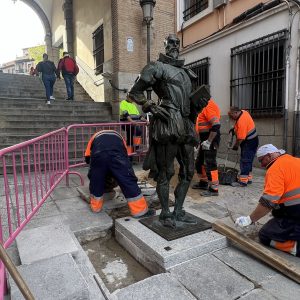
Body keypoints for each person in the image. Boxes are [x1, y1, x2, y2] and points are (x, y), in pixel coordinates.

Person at [128, 34, 208, 227]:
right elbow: (135, 91)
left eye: (177, 43)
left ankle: (179, 211)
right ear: (164, 45)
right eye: (170, 43)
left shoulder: (188, 73)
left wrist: (199, 104)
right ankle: (165, 213)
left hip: (187, 124)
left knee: (189, 171)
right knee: (166, 171)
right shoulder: (156, 67)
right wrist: (150, 105)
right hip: (168, 121)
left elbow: (189, 100)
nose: (174, 46)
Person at [235, 144, 300, 257]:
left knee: (265, 235)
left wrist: (250, 219)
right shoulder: (295, 160)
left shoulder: (275, 169)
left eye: (261, 160)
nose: (261, 164)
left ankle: (296, 248)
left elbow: (268, 202)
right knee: (277, 212)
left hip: (297, 214)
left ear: (269, 156)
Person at [84, 129, 155, 218]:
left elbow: (87, 158)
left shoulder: (94, 138)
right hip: (117, 156)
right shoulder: (120, 139)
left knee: (96, 180)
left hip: (98, 155)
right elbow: (125, 157)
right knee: (128, 180)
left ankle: (96, 208)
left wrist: (96, 172)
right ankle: (139, 211)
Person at [192, 95, 221, 197]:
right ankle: (203, 182)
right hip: (205, 138)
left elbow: (216, 125)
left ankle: (214, 188)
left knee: (210, 163)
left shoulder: (208, 106)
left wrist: (209, 141)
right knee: (199, 162)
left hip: (211, 138)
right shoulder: (203, 106)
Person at [228, 107, 259, 186]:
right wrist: (234, 129)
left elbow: (241, 138)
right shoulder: (244, 112)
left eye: (232, 115)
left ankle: (242, 181)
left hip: (248, 142)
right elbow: (239, 126)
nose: (231, 118)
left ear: (236, 112)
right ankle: (248, 178)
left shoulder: (241, 121)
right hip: (252, 140)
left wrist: (236, 146)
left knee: (245, 160)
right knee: (248, 160)